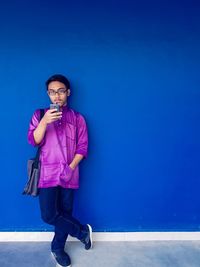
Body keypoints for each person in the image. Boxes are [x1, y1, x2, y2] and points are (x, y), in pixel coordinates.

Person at [28, 74, 92, 267]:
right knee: (49, 214)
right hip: (47, 174)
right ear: (48, 94)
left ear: (68, 92)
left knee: (65, 211)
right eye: (52, 92)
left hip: (69, 174)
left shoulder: (78, 118)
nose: (57, 96)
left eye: (61, 91)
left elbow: (83, 147)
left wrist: (71, 167)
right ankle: (82, 232)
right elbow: (34, 140)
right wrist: (44, 122)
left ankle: (58, 248)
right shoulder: (39, 115)